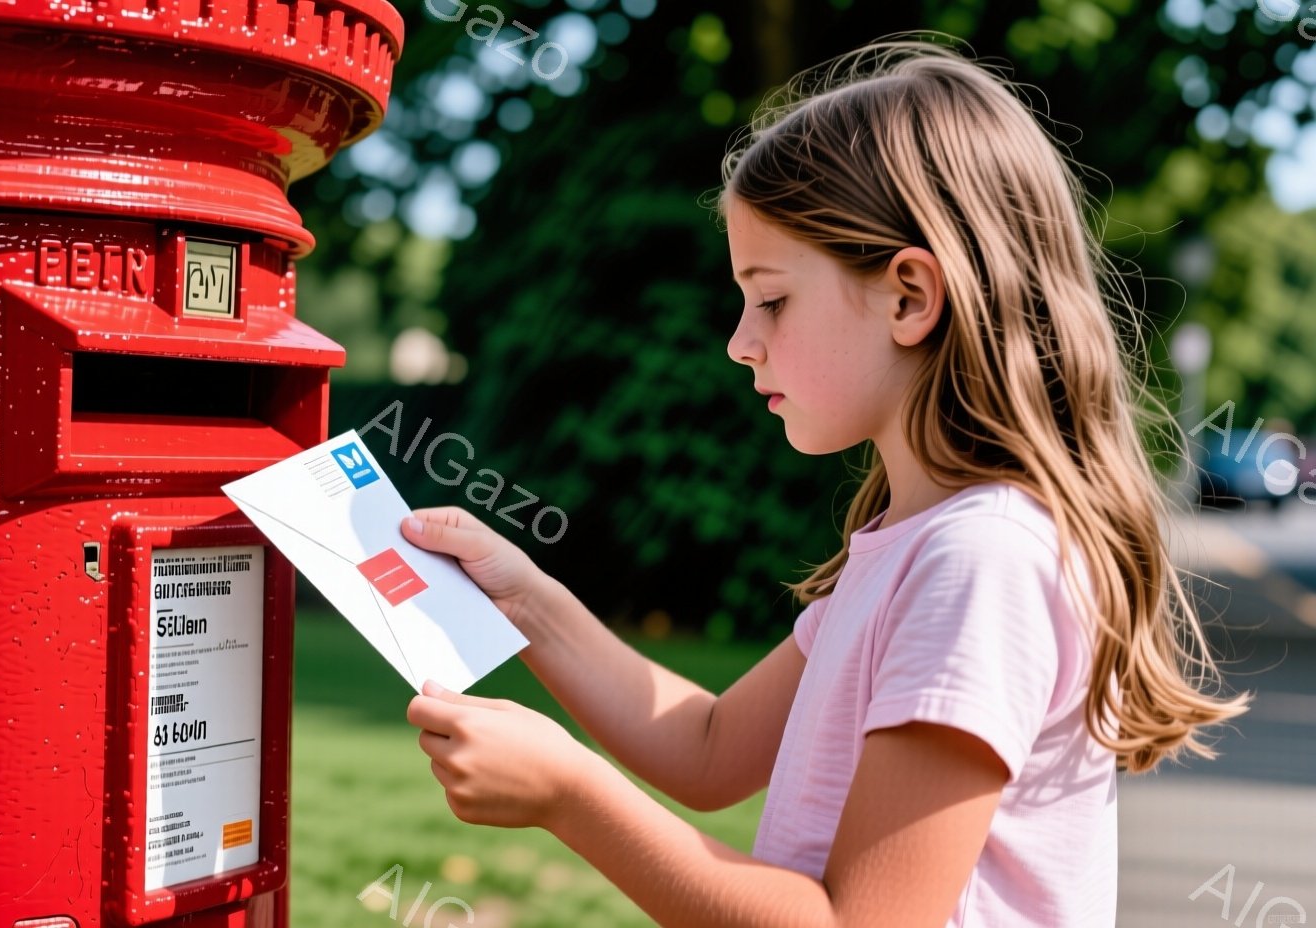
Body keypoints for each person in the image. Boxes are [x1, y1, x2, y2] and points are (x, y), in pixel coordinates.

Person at [398, 36, 1252, 928]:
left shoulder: (980, 560)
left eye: (770, 298)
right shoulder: (912, 544)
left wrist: (571, 793)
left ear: (909, 297)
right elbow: (708, 746)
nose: (740, 341)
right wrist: (523, 600)